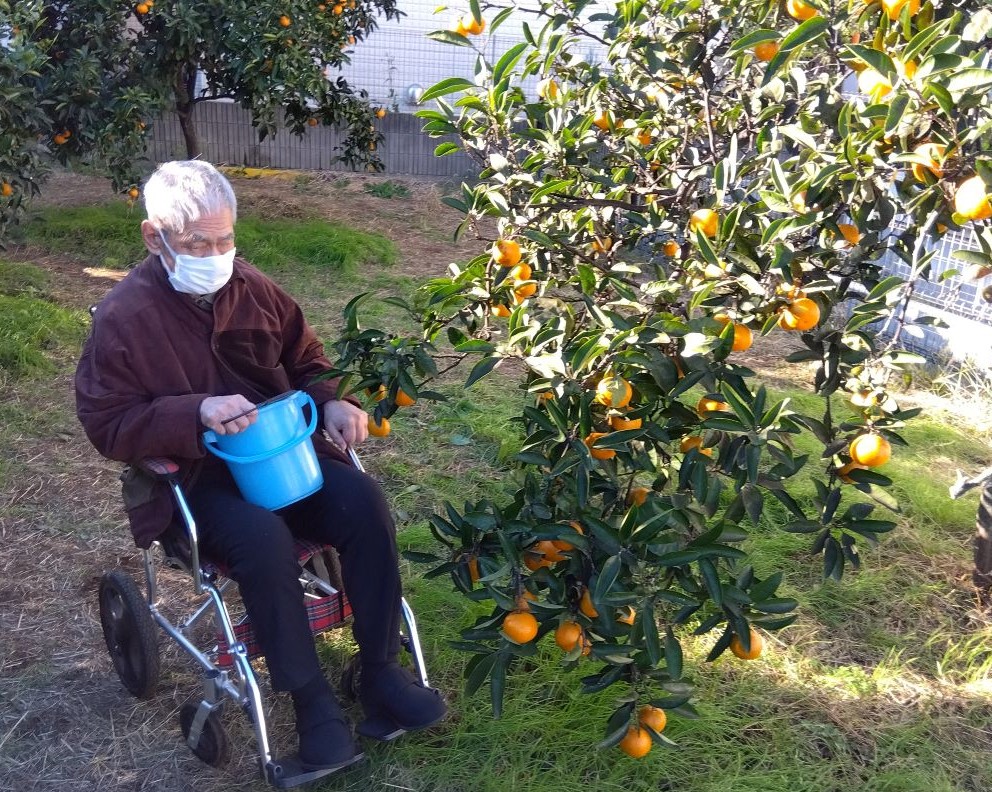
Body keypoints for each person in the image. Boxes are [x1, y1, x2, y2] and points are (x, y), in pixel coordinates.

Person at [75, 160, 446, 772]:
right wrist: (194, 412)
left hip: (282, 462)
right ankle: (314, 707)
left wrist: (332, 400)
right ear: (154, 236)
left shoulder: (253, 288)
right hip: (196, 484)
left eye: (225, 239)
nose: (216, 254)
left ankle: (380, 671)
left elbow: (308, 358)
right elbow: (107, 423)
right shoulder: (124, 318)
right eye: (198, 243)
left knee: (363, 502)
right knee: (262, 537)